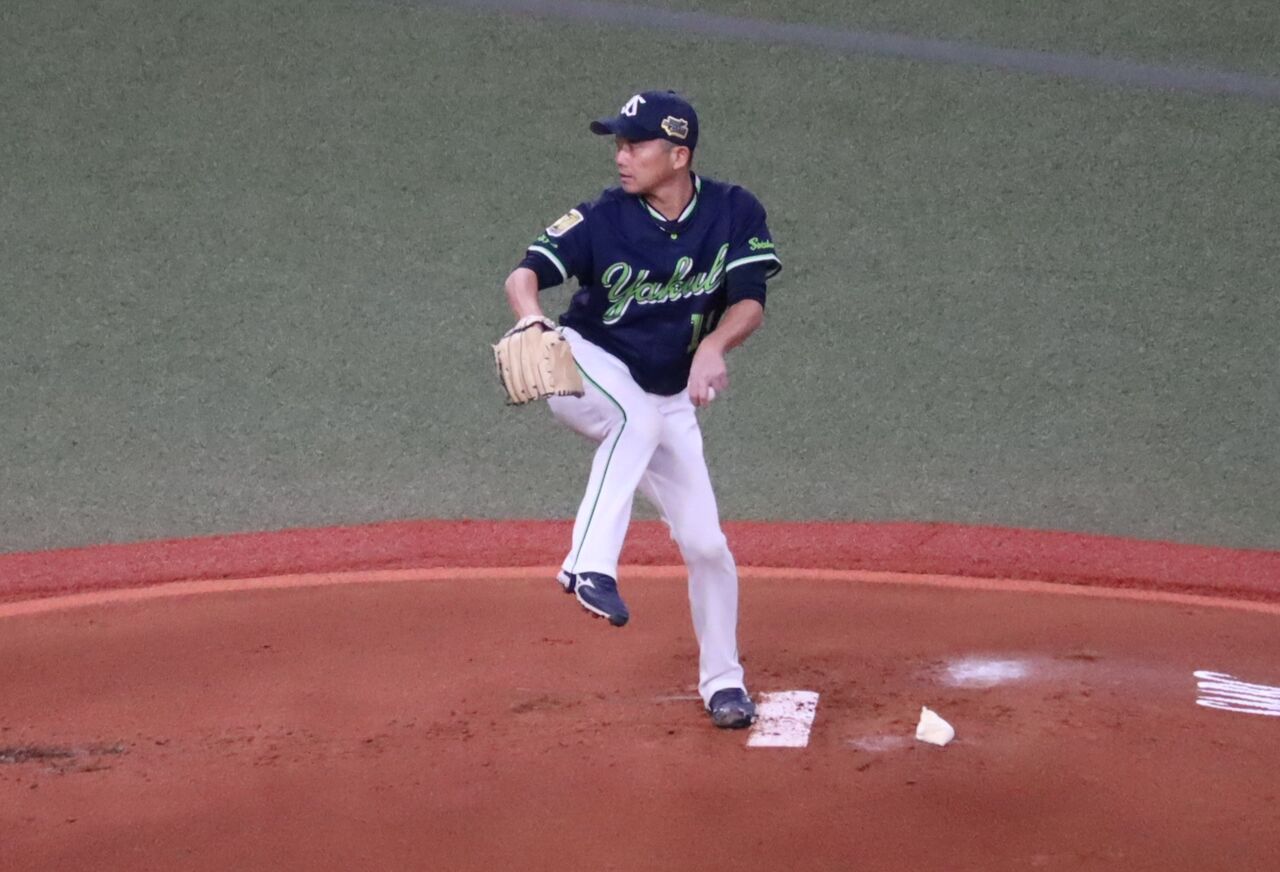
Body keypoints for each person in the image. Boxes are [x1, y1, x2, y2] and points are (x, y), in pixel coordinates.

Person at [501, 90, 782, 729]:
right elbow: (525, 273)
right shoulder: (602, 217)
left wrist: (714, 345)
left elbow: (749, 300)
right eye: (619, 144)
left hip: (667, 396)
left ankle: (724, 683)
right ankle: (587, 565)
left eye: (635, 144)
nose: (621, 157)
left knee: (706, 545)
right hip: (584, 367)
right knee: (635, 419)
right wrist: (533, 318)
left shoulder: (733, 210)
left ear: (679, 155)